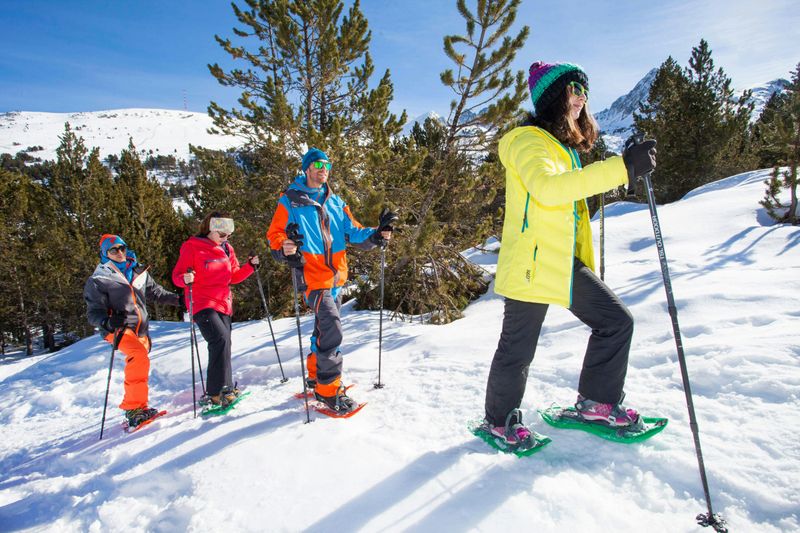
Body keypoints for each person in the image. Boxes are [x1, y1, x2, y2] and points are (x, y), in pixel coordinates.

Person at [481, 61, 657, 449]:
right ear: (552, 96)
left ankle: (596, 403)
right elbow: (549, 189)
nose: (581, 97)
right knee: (518, 349)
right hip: (532, 262)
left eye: (585, 90)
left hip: (562, 262)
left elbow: (569, 192)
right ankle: (498, 421)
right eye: (574, 88)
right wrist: (621, 169)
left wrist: (622, 169)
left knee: (615, 322)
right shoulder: (527, 141)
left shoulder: (563, 148)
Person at [267, 148, 396, 413]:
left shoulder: (336, 202)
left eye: (326, 164)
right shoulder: (290, 201)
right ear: (306, 168)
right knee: (332, 329)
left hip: (336, 277)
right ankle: (327, 389)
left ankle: (316, 375)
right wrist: (285, 246)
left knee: (323, 329)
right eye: (316, 163)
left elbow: (354, 232)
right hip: (311, 277)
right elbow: (275, 234)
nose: (323, 168)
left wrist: (377, 234)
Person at [84, 234, 181, 427]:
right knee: (138, 357)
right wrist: (108, 322)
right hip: (119, 329)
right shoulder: (99, 279)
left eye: (122, 248)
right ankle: (133, 408)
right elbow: (93, 312)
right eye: (114, 250)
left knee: (140, 363)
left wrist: (180, 300)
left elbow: (157, 293)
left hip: (140, 328)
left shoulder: (138, 271)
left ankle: (140, 406)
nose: (120, 253)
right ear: (105, 254)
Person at [172, 213, 258, 407]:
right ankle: (214, 393)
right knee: (219, 340)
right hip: (201, 302)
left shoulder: (227, 249)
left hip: (223, 303)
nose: (225, 237)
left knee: (225, 343)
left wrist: (250, 267)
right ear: (210, 229)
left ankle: (226, 387)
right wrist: (185, 279)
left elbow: (233, 277)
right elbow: (177, 276)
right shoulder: (192, 247)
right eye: (222, 234)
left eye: (228, 234)